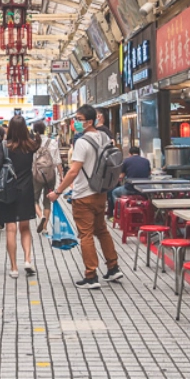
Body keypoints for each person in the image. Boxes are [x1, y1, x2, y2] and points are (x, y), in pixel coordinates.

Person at [47, 104, 122, 289]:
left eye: (79, 120)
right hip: (100, 193)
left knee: (86, 234)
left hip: (83, 195)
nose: (75, 123)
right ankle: (113, 267)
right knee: (102, 230)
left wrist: (57, 192)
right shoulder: (104, 136)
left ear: (90, 121)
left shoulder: (82, 142)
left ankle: (91, 275)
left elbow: (73, 171)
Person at [0, 116, 39, 278]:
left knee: (11, 229)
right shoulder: (30, 146)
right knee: (25, 228)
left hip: (8, 191)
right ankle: (28, 259)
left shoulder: (5, 146)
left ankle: (14, 268)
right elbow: (36, 139)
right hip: (26, 190)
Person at [32, 121, 62, 234]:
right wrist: (61, 176)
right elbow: (58, 161)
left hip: (36, 175)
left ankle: (40, 216)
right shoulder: (52, 142)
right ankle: (44, 228)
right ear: (45, 130)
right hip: (50, 175)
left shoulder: (33, 143)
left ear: (34, 131)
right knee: (47, 200)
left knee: (34, 199)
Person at [109, 147, 151, 214]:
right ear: (139, 154)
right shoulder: (146, 161)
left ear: (129, 154)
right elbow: (149, 174)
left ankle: (119, 213)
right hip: (143, 191)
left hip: (130, 189)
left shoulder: (126, 161)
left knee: (114, 192)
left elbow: (121, 177)